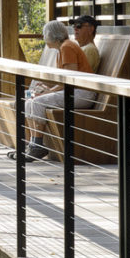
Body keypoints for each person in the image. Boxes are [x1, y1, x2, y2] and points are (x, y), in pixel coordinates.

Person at [19, 18, 99, 160]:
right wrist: (46, 88)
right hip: (73, 91)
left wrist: (49, 91)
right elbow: (63, 80)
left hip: (82, 93)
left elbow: (69, 79)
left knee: (36, 102)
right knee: (29, 100)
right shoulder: (63, 48)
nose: (44, 38)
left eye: (45, 35)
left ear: (52, 35)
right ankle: (32, 145)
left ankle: (37, 146)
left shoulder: (67, 47)